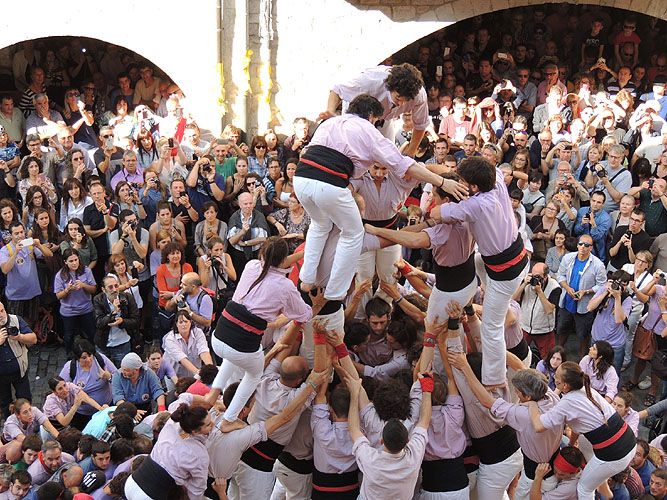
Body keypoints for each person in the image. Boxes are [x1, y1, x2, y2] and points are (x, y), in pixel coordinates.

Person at [296, 94, 465, 304]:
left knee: (320, 225)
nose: (378, 172)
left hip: (302, 178)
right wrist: (442, 182)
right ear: (371, 117)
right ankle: (335, 292)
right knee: (353, 233)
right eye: (376, 121)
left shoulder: (331, 122)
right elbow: (404, 164)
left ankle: (306, 279)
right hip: (332, 185)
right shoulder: (368, 130)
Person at [430, 157, 528, 386]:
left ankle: (494, 380)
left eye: (463, 182)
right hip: (512, 261)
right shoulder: (497, 179)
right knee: (478, 267)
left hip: (505, 274)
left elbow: (436, 213)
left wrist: (450, 191)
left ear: (474, 187)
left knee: (491, 328)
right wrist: (441, 178)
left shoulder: (475, 205)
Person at [211, 237, 315, 432]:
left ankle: (212, 394)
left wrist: (303, 254)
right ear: (282, 259)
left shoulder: (251, 265)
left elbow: (275, 263)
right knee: (254, 375)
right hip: (242, 346)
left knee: (232, 357)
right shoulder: (285, 287)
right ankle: (229, 418)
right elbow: (305, 315)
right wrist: (318, 304)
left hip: (219, 336)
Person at [527, 361, 636, 500]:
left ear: (565, 385)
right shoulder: (587, 389)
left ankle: (600, 484)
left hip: (615, 454)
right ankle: (602, 485)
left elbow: (538, 426)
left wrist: (531, 403)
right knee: (584, 442)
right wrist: (571, 444)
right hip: (629, 441)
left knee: (584, 488)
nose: (554, 379)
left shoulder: (568, 402)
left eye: (557, 379)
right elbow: (579, 426)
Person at [341, 361, 431, 500]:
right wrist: (427, 388)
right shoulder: (414, 455)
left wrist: (354, 395)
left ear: (382, 441)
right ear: (407, 440)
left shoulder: (370, 459)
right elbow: (424, 421)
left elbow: (353, 429)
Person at [124, 403, 210, 500]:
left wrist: (205, 400)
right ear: (195, 431)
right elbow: (197, 488)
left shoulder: (171, 423)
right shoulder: (200, 455)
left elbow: (185, 398)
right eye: (208, 424)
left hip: (131, 483)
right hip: (149, 495)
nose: (213, 424)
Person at [556, 233, 607, 358]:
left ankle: (584, 357)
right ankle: (558, 351)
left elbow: (602, 285)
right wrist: (567, 288)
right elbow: (560, 275)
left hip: (585, 305)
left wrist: (586, 291)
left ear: (591, 248)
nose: (583, 247)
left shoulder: (598, 265)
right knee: (562, 328)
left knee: (583, 333)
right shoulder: (568, 258)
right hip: (567, 301)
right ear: (577, 245)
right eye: (581, 244)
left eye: (586, 245)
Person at [59, 339, 116, 425]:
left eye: (90, 355)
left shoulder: (101, 360)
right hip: (83, 414)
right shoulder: (70, 368)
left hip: (106, 408)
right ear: (77, 358)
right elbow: (60, 390)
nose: (89, 360)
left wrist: (109, 377)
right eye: (84, 358)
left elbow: (119, 380)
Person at [587, 273, 633, 375]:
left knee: (613, 373)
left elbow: (619, 319)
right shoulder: (604, 289)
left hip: (615, 344)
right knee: (592, 369)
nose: (619, 287)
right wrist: (605, 292)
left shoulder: (627, 299)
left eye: (623, 285)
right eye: (617, 283)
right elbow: (589, 308)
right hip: (597, 338)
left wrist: (617, 298)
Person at [53, 248, 97, 353]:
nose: (74, 263)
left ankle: (93, 352)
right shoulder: (60, 275)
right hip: (69, 310)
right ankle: (70, 354)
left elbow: (93, 289)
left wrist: (83, 285)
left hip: (86, 308)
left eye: (76, 260)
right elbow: (58, 296)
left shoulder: (86, 270)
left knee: (91, 333)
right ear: (65, 262)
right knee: (69, 335)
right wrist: (67, 290)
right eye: (71, 261)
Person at [513, 262, 561, 359]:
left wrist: (540, 291)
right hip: (524, 326)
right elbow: (513, 298)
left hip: (544, 329)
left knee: (547, 358)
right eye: (533, 275)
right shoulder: (526, 281)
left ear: (545, 276)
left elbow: (549, 310)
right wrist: (524, 284)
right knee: (518, 355)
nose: (534, 278)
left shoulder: (554, 287)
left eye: (538, 276)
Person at [92, 275, 140, 367]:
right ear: (103, 289)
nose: (114, 289)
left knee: (123, 370)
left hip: (122, 344)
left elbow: (136, 320)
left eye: (116, 286)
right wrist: (113, 313)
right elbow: (99, 322)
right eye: (110, 287)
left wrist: (122, 321)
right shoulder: (98, 299)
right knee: (102, 370)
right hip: (103, 344)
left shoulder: (127, 297)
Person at [161, 310, 213, 378]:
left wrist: (211, 369)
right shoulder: (170, 339)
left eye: (186, 321)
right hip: (175, 376)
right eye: (181, 322)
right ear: (176, 324)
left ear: (190, 322)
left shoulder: (198, 332)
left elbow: (203, 350)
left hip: (194, 375)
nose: (184, 325)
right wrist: (198, 373)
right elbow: (182, 359)